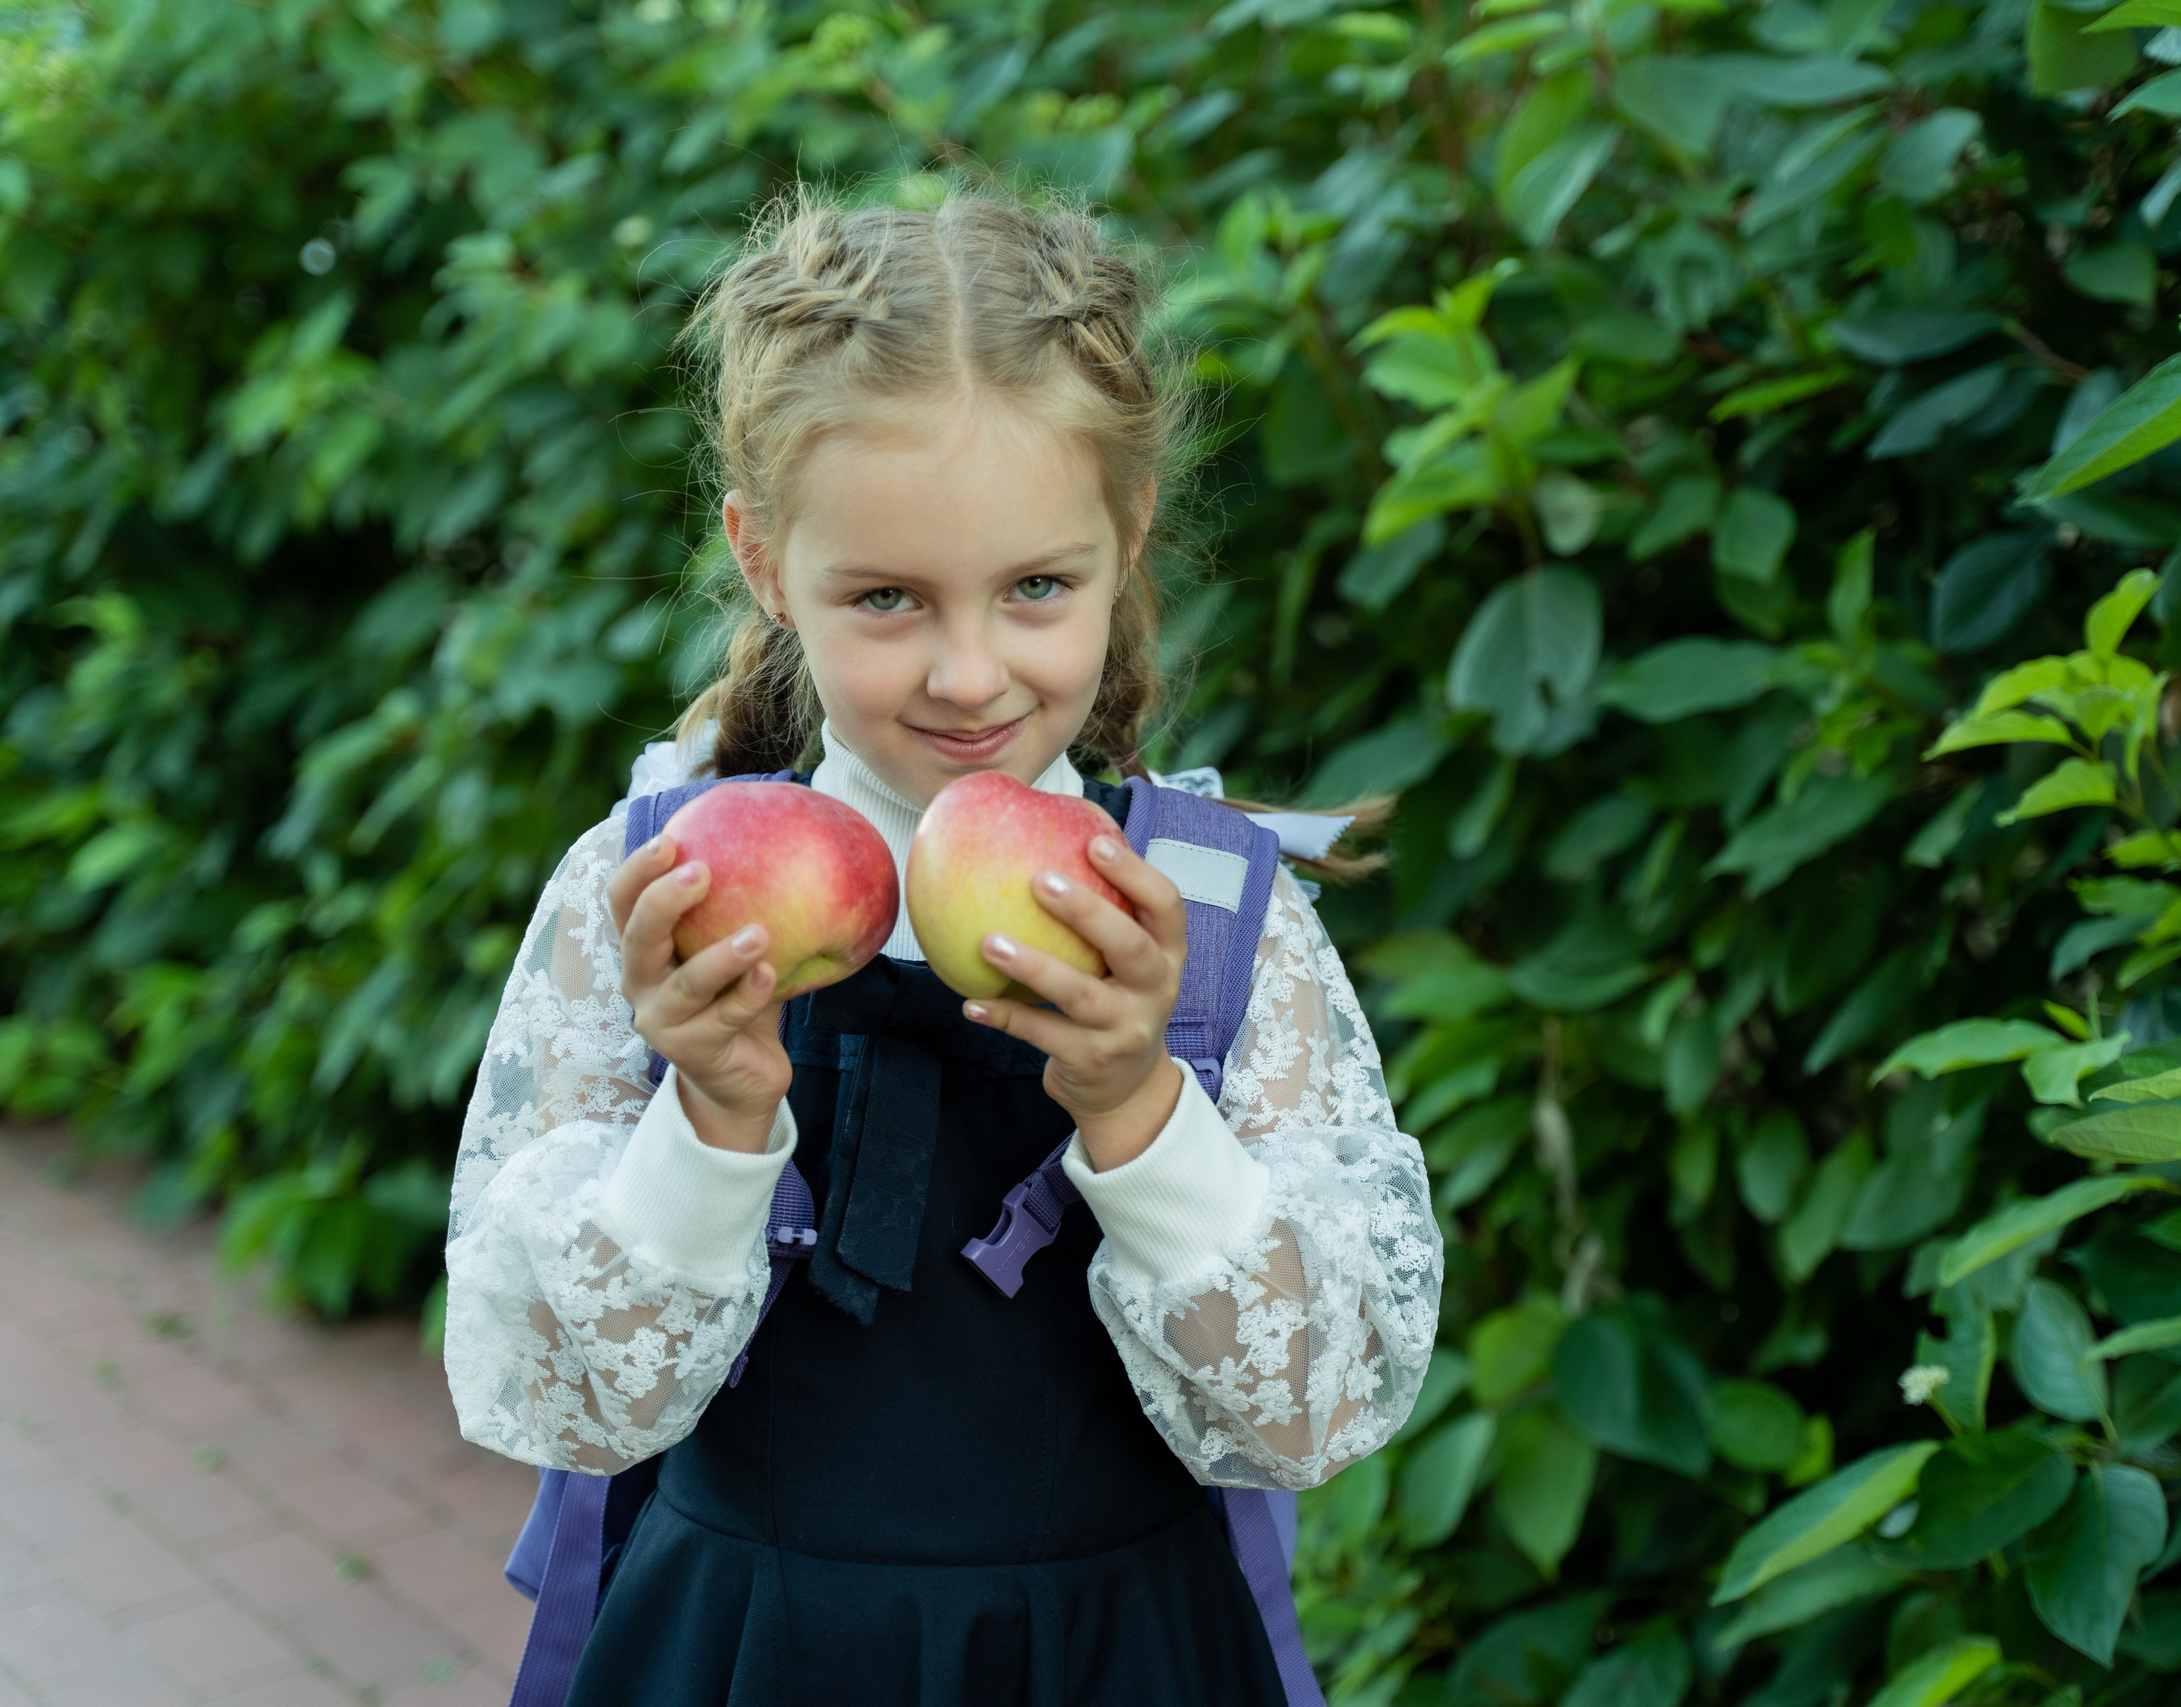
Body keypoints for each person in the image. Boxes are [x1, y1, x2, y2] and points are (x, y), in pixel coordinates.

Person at [439, 181, 1442, 1706]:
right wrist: (710, 1118)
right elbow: (570, 1399)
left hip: (1121, 1658)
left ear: (1130, 539)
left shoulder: (1214, 915)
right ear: (768, 562)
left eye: (1037, 587)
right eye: (888, 598)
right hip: (748, 1651)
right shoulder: (647, 897)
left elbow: (1312, 1413)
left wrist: (1140, 1105)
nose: (969, 675)